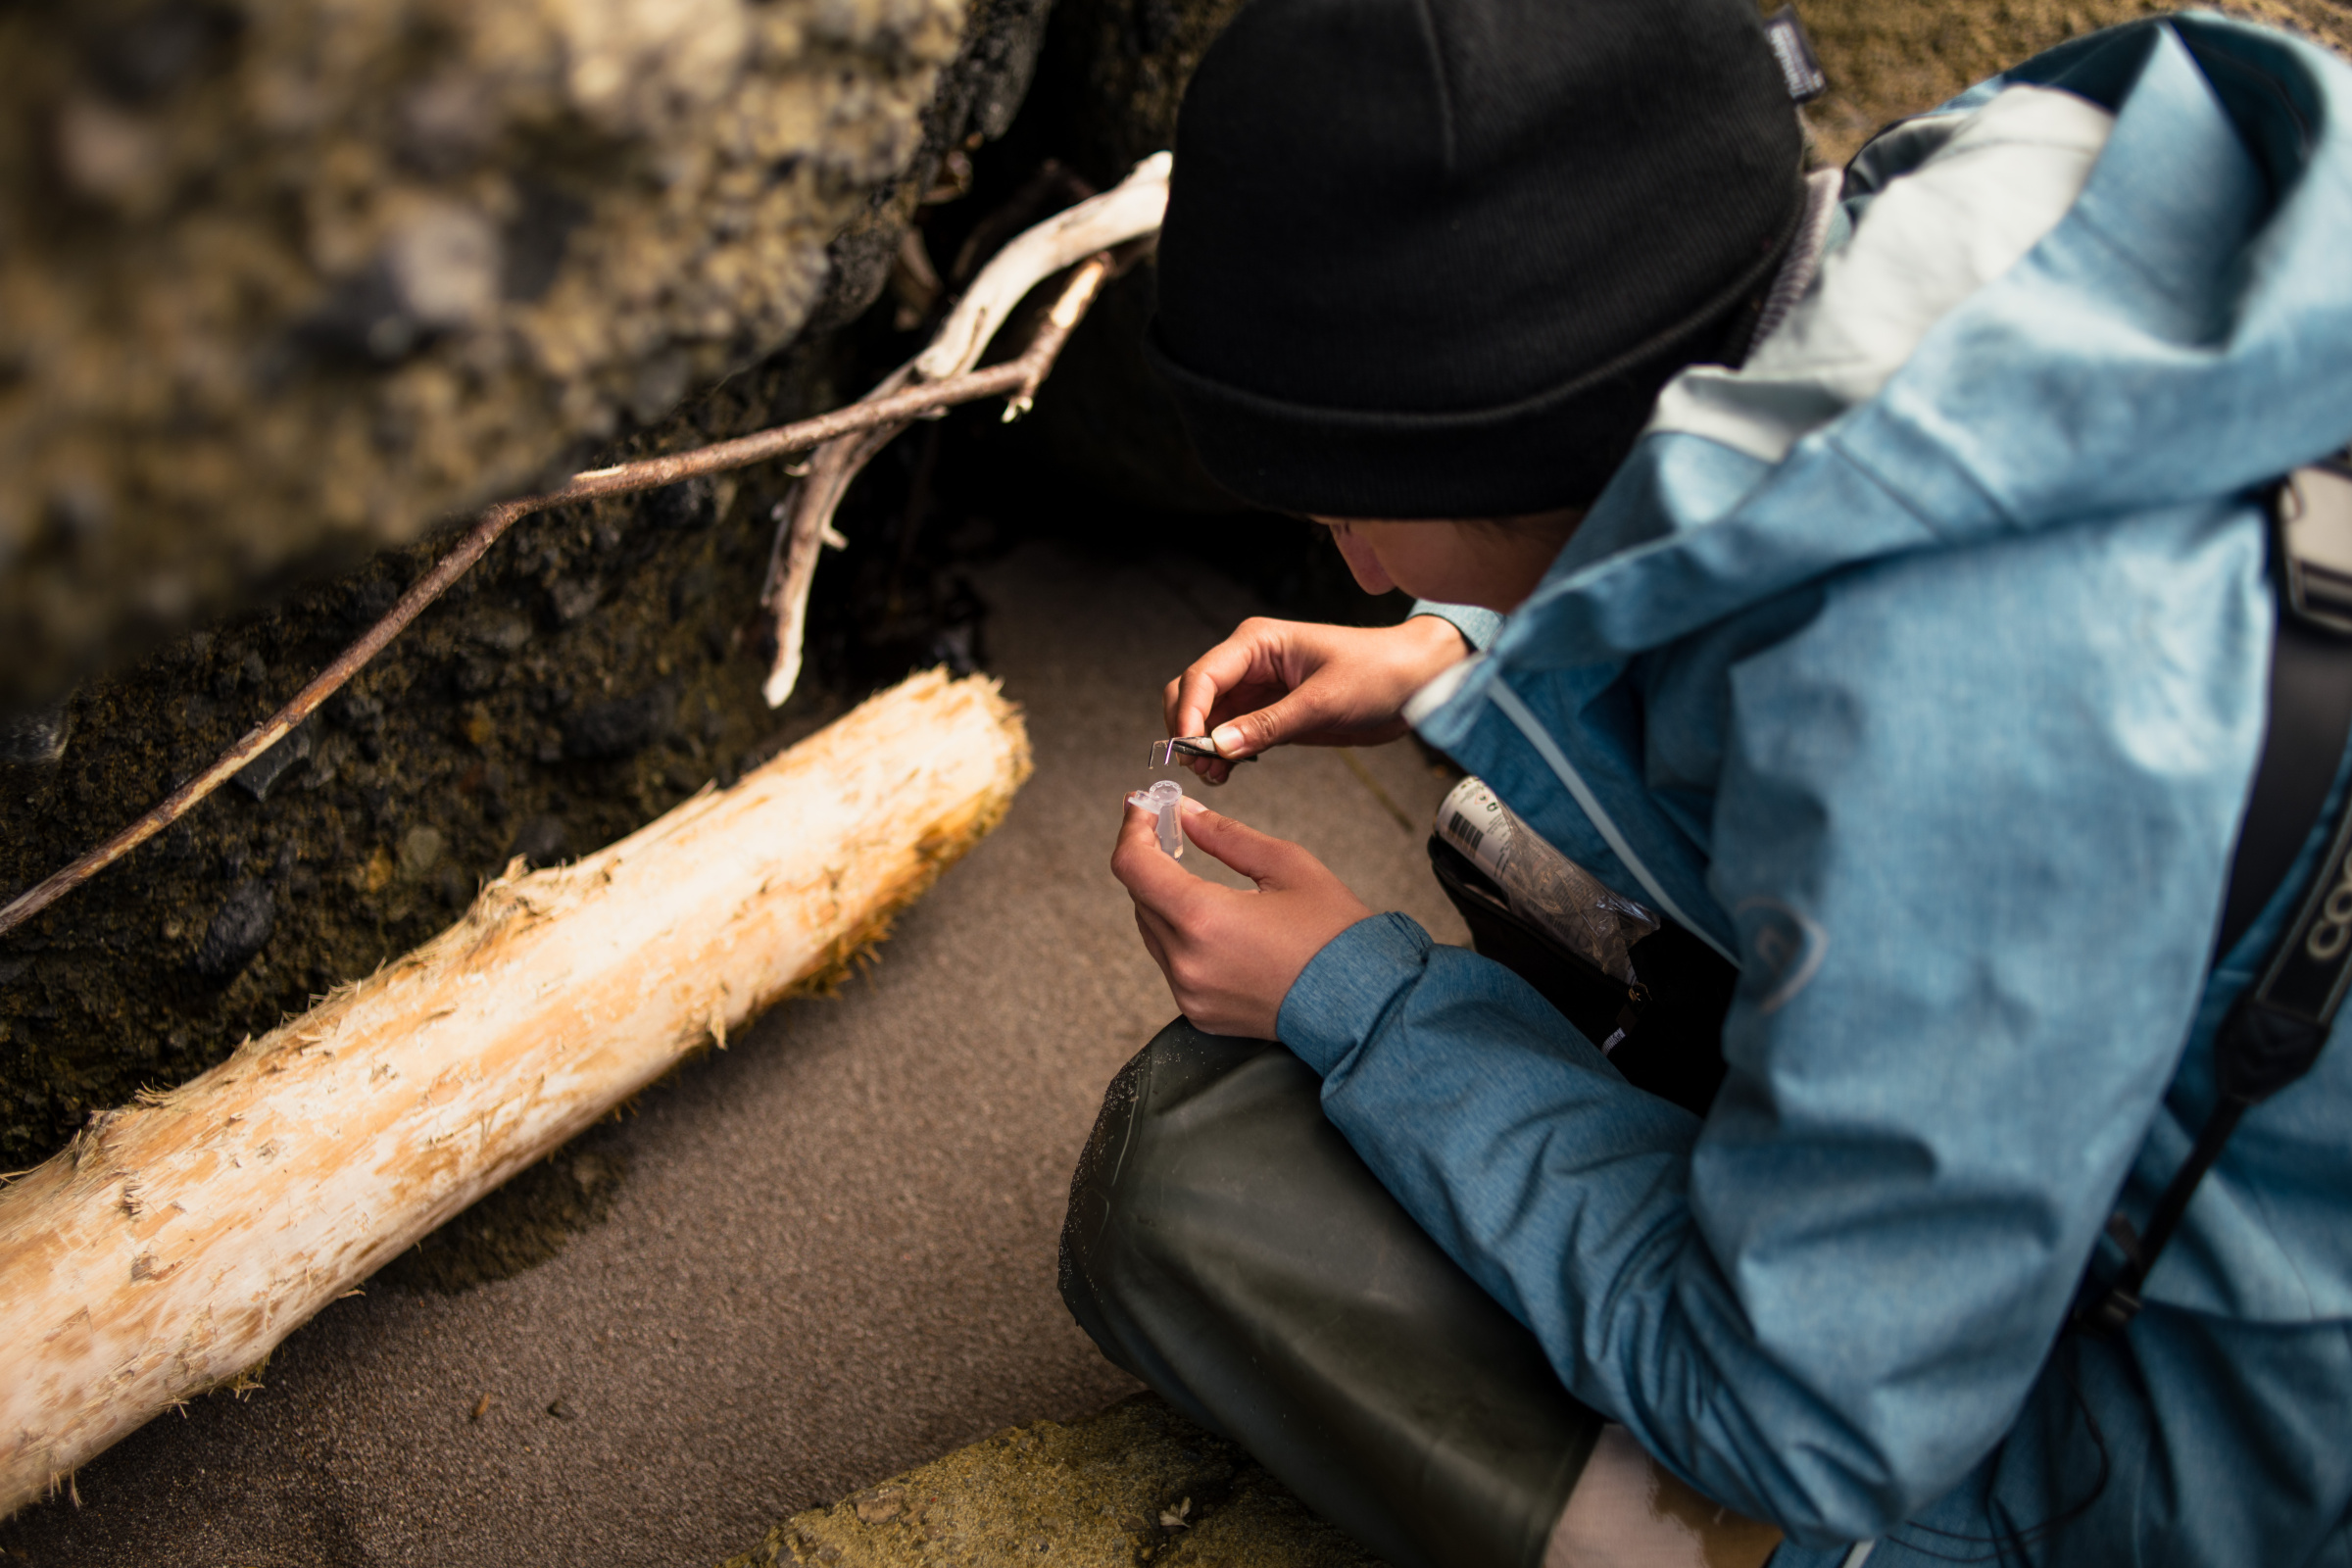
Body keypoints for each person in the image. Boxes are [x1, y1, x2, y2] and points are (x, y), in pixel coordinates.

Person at [1058, 1, 2352, 1565]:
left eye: (1354, 513)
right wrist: (1462, 648)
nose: (1365, 565)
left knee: (1186, 1194)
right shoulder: (2004, 180)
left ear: (1502, 450)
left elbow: (1789, 1420)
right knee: (1519, 831)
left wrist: (1360, 998)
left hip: (2218, 1460)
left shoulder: (1919, 711)